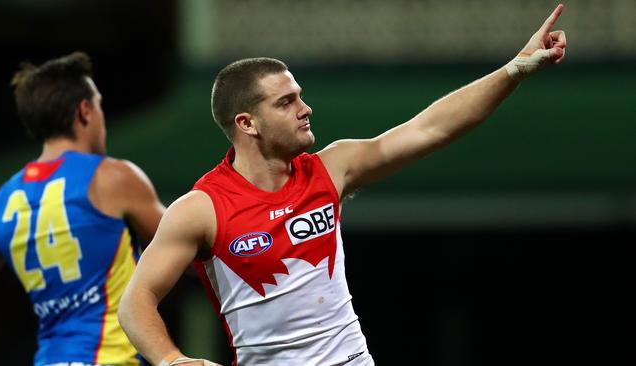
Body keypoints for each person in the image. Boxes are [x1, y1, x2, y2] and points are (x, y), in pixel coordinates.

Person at [118, 5, 567, 366]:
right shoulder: (202, 209)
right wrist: (173, 361)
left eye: (300, 95)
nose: (305, 108)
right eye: (286, 101)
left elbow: (431, 128)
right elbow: (135, 302)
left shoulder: (331, 168)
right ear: (247, 123)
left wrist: (515, 69)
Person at [0, 52, 166, 366]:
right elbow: (187, 251)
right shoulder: (112, 178)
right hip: (110, 359)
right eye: (99, 104)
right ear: (85, 111)